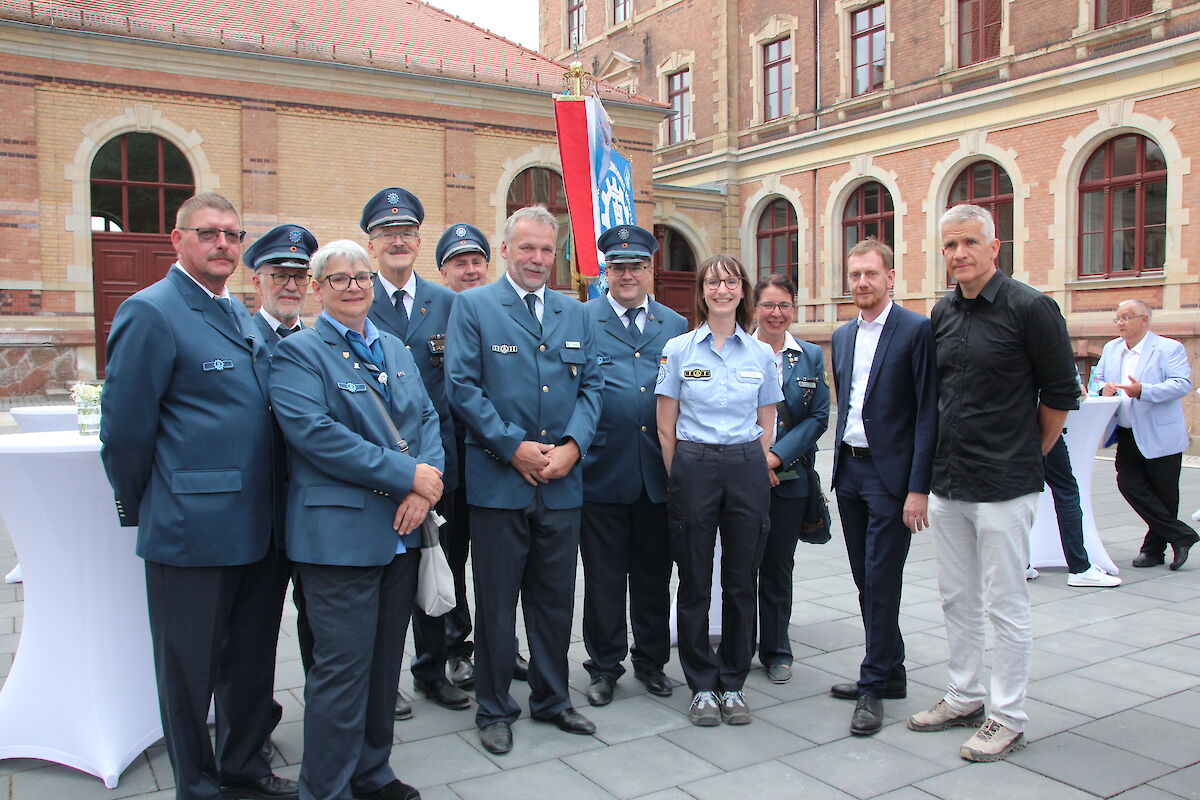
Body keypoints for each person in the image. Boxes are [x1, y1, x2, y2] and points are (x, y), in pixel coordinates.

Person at [100, 193, 298, 800]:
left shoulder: (238, 314)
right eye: (209, 233)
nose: (223, 245)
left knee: (250, 661)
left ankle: (244, 769)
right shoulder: (151, 312)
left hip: (259, 527)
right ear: (177, 240)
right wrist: (145, 507)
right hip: (191, 529)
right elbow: (126, 432)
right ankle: (198, 784)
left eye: (233, 235)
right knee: (188, 672)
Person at [270, 239, 443, 800]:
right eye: (339, 279)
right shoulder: (299, 352)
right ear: (318, 289)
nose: (353, 287)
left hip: (400, 533)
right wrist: (405, 476)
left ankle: (372, 774)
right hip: (338, 538)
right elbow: (316, 436)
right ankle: (325, 788)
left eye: (361, 277)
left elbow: (426, 419)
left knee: (382, 664)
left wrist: (425, 488)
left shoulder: (392, 346)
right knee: (341, 673)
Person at [908, 204, 1079, 763]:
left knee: (1005, 604)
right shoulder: (942, 313)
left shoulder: (1031, 309)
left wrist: (1031, 451)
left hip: (1006, 484)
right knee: (957, 597)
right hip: (950, 482)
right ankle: (964, 695)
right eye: (951, 244)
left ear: (994, 246)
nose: (959, 254)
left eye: (970, 243)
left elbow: (1059, 396)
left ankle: (1007, 716)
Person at [445, 206, 603, 755]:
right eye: (526, 248)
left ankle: (553, 698)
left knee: (555, 599)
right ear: (506, 249)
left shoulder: (577, 312)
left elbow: (593, 389)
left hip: (562, 483)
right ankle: (493, 707)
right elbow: (463, 388)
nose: (537, 258)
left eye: (545, 249)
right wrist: (513, 447)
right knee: (495, 602)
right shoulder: (473, 307)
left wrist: (572, 448)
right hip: (499, 482)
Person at [656, 254, 782, 727]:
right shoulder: (679, 349)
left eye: (730, 282)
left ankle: (733, 682)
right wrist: (681, 473)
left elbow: (767, 418)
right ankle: (702, 687)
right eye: (713, 282)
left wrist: (753, 459)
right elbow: (665, 425)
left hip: (746, 465)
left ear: (742, 290)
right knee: (693, 581)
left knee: (740, 579)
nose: (722, 290)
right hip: (694, 464)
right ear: (702, 292)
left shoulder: (760, 355)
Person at [361, 188, 470, 716]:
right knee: (380, 575)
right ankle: (381, 678)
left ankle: (432, 668)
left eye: (406, 233)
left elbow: (459, 387)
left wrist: (433, 470)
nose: (397, 241)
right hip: (374, 467)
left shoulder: (447, 303)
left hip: (437, 461)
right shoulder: (358, 298)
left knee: (435, 564)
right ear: (372, 243)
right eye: (387, 233)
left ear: (419, 241)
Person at [827, 239, 937, 737]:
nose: (862, 283)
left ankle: (872, 684)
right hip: (849, 470)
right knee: (863, 578)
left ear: (891, 277)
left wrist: (919, 488)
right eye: (855, 275)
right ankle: (891, 670)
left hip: (892, 479)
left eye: (871, 274)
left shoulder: (916, 331)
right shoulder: (843, 335)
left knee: (882, 577)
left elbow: (927, 414)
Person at [580, 225, 686, 707]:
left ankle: (651, 661)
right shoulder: (583, 319)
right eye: (618, 266)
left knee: (652, 576)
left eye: (637, 266)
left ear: (650, 272)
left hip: (658, 474)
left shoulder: (675, 324)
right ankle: (603, 666)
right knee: (603, 579)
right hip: (602, 471)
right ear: (606, 271)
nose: (627, 275)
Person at [244, 223, 319, 677]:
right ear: (257, 281)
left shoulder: (319, 345)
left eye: (298, 276)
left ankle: (330, 715)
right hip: (263, 508)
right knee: (256, 629)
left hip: (313, 507)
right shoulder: (243, 340)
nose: (290, 286)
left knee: (321, 621)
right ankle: (256, 723)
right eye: (278, 275)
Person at [751, 274, 829, 687]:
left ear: (793, 310)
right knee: (743, 565)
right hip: (744, 478)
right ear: (755, 308)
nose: (776, 313)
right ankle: (740, 644)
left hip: (791, 477)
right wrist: (756, 460)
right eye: (768, 305)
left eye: (783, 305)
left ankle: (777, 649)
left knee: (779, 566)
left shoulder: (810, 356)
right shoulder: (737, 351)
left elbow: (818, 417)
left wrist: (776, 456)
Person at [429, 222, 495, 690]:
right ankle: (456, 648)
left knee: (498, 563)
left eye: (476, 261)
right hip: (449, 460)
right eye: (459, 263)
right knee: (450, 562)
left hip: (494, 458)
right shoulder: (433, 312)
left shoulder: (499, 311)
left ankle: (501, 646)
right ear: (443, 270)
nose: (469, 270)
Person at [1094, 299, 1197, 570]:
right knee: (1129, 484)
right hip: (1127, 431)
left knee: (1164, 494)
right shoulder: (1111, 348)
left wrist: (1144, 391)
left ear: (1144, 320)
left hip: (1160, 433)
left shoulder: (1168, 348)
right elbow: (1099, 378)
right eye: (1117, 318)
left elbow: (1181, 384)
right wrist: (1104, 388)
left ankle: (1153, 551)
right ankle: (1181, 534)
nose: (1121, 323)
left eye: (1127, 318)